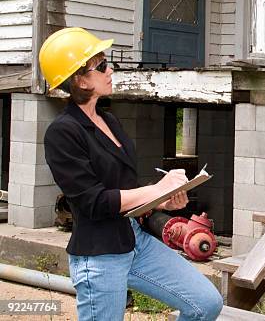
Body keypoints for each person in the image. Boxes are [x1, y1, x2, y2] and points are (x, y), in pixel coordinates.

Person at [39, 27, 223, 321]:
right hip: (99, 255)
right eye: (100, 66)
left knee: (206, 302)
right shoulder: (62, 133)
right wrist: (156, 189)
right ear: (79, 79)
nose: (110, 69)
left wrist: (162, 201)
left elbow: (125, 187)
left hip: (135, 241)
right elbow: (93, 202)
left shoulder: (109, 120)